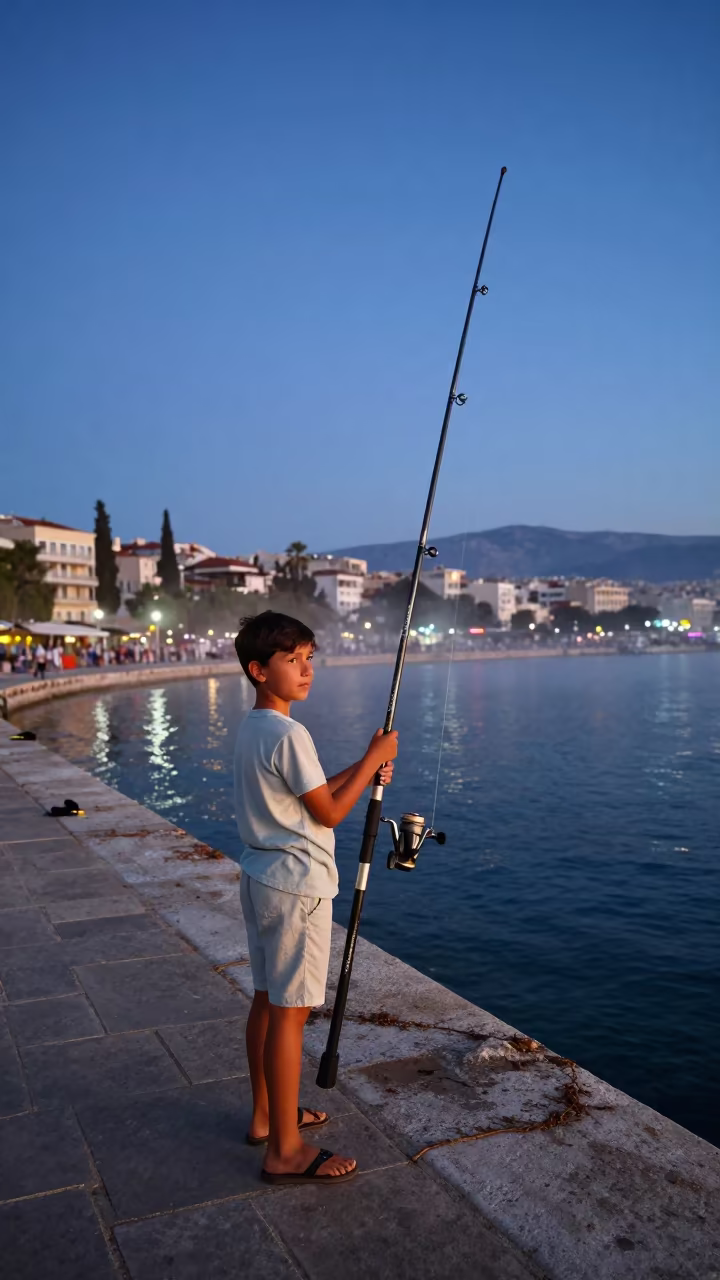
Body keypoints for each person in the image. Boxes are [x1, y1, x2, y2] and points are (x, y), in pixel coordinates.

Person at [233, 610, 398, 1187]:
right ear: (259, 670)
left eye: (309, 657)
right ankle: (285, 1148)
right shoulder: (289, 733)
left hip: (261, 879)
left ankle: (266, 1114)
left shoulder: (254, 730)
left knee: (266, 1001)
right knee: (290, 1015)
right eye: (290, 660)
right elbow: (328, 812)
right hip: (298, 888)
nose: (305, 670)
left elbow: (309, 795)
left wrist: (363, 765)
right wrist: (375, 759)